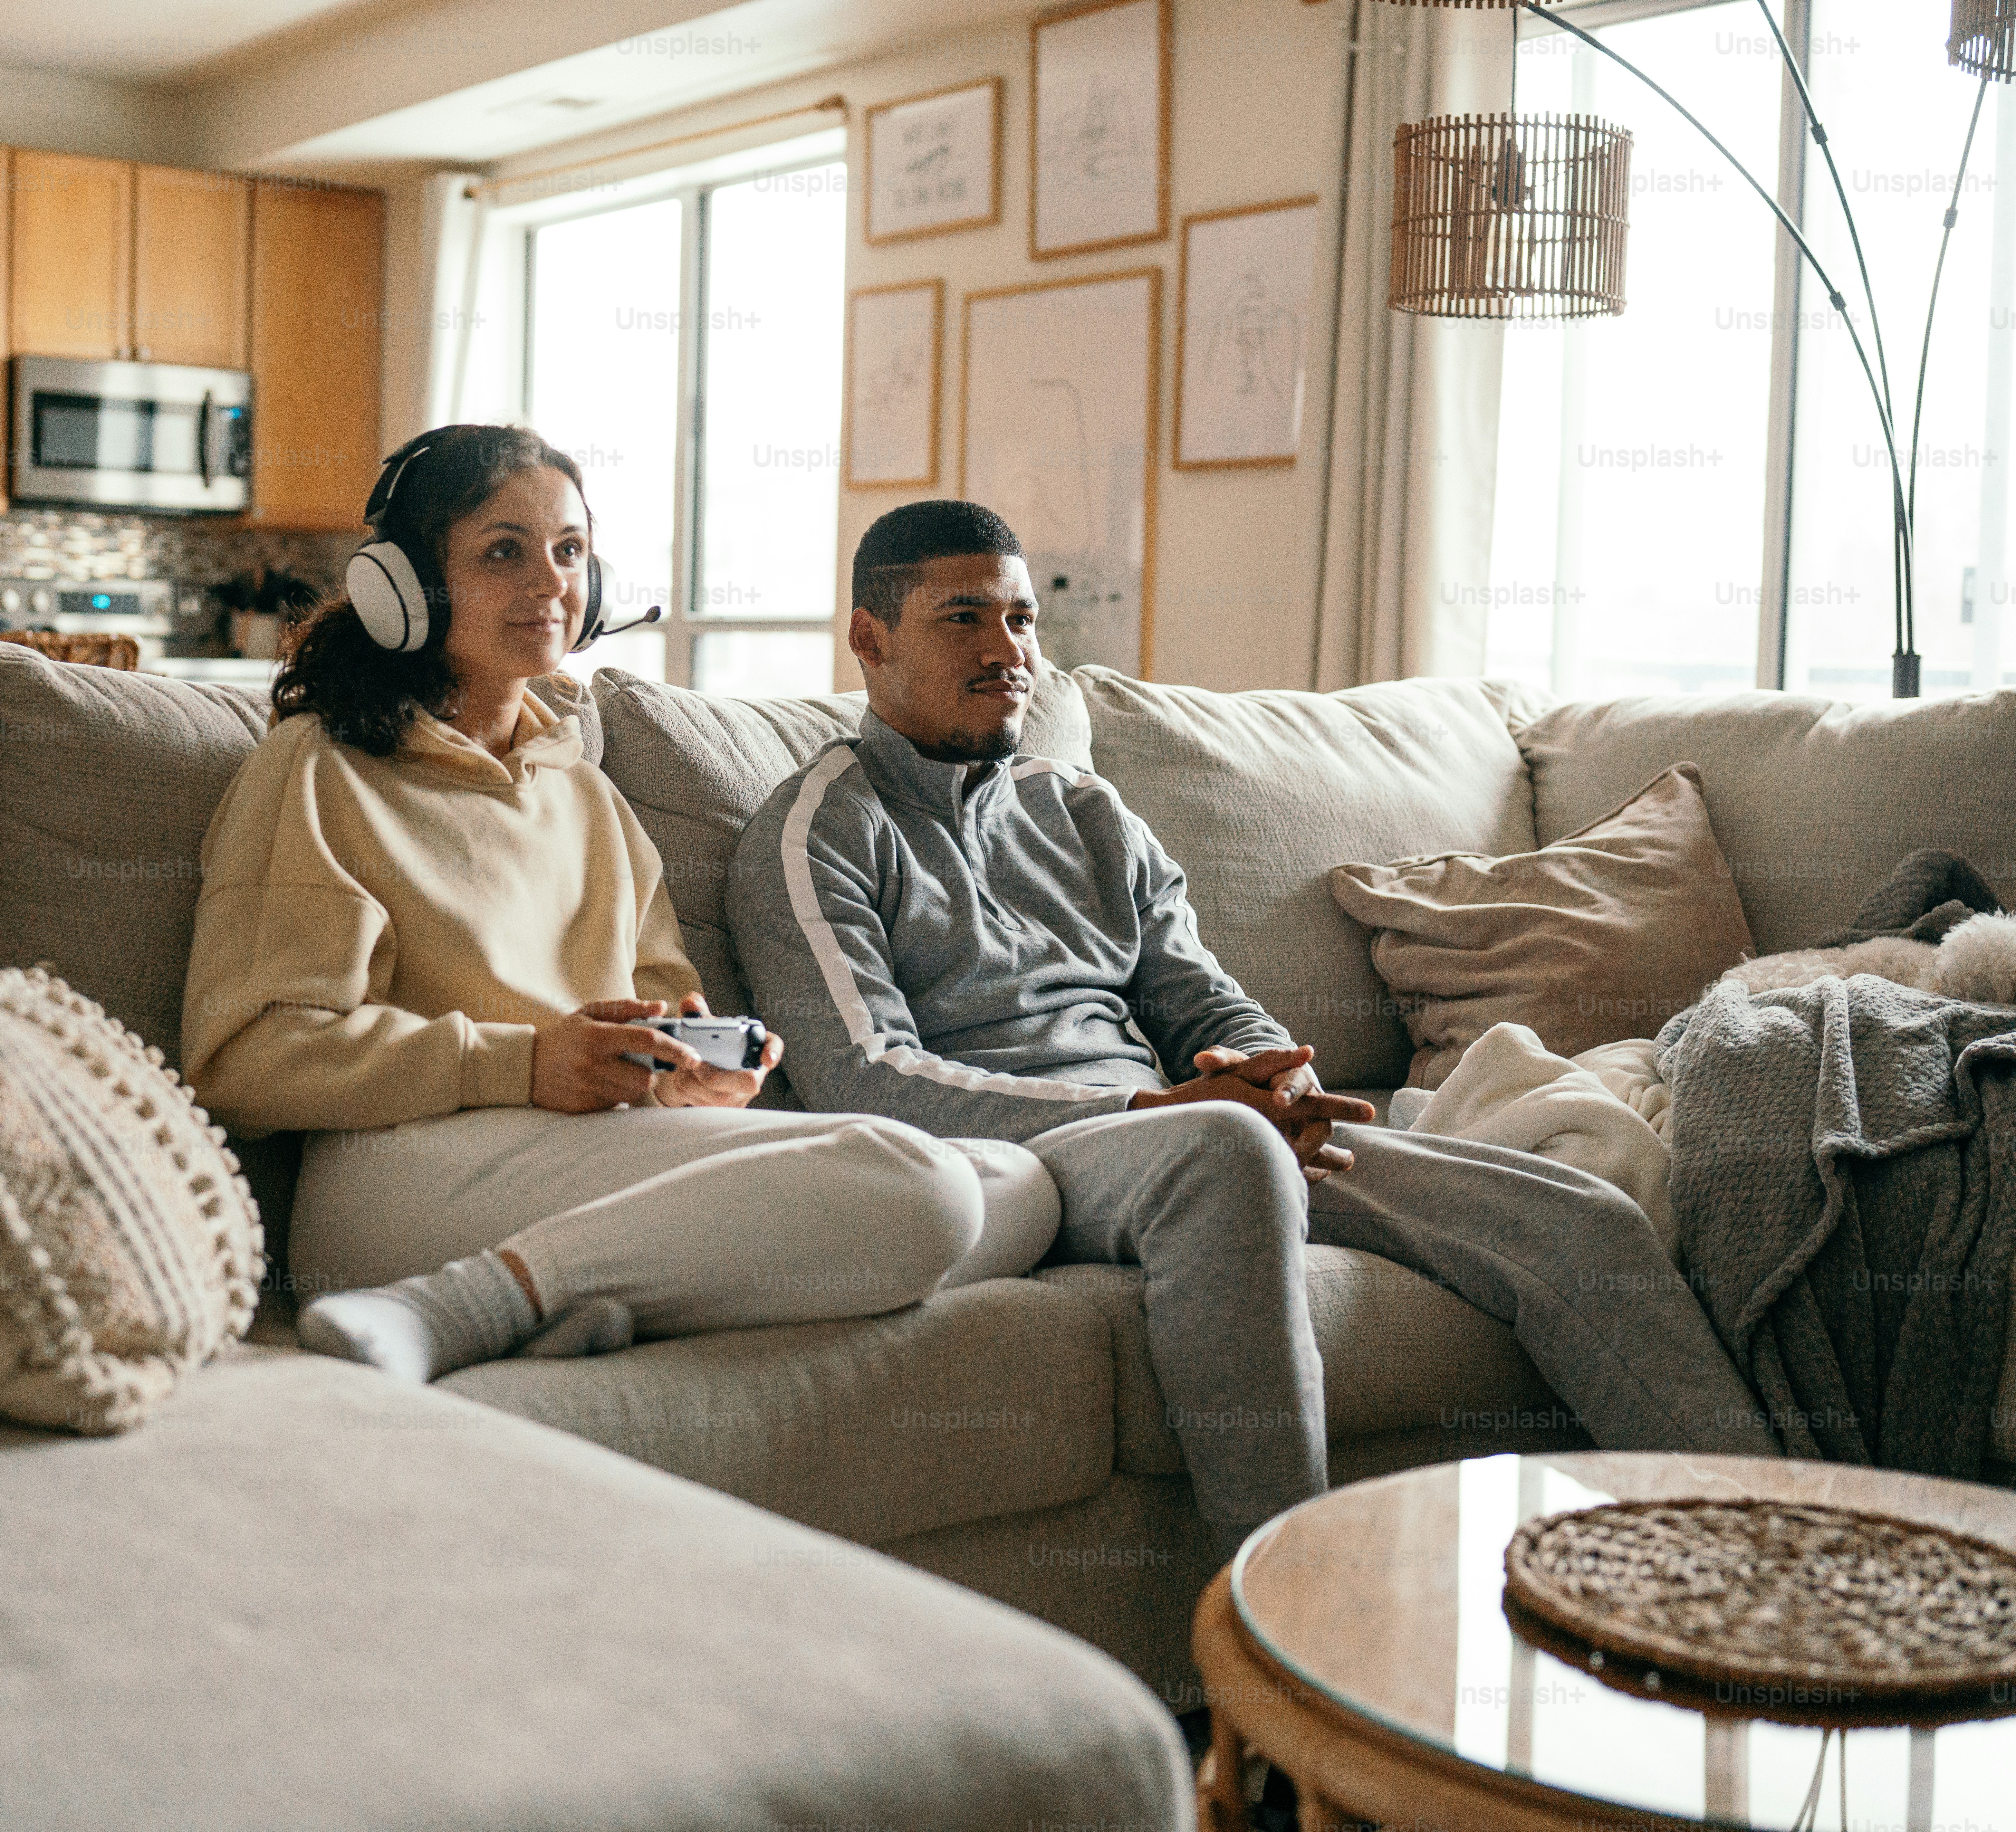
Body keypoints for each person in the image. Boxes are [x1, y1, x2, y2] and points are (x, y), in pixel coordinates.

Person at [727, 498, 1781, 1539]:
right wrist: (1159, 1103)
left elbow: (1195, 990)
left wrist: (1280, 1078)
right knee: (1225, 1147)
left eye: (1020, 621)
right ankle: (1286, 1625)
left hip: (1187, 1118)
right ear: (871, 640)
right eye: (964, 618)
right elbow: (867, 1077)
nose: (1008, 650)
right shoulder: (822, 828)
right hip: (1031, 1158)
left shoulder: (1083, 810)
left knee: (1573, 1217)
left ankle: (1785, 1562)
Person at [180, 431, 1059, 1382]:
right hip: (395, 1171)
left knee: (1020, 1186)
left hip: (583, 1151)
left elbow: (665, 1015)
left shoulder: (586, 793)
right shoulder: (322, 767)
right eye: (503, 552)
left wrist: (689, 1070)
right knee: (923, 1185)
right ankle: (451, 1306)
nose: (551, 582)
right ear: (407, 582)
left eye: (568, 551)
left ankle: (564, 1299)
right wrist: (524, 1061)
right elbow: (246, 1055)